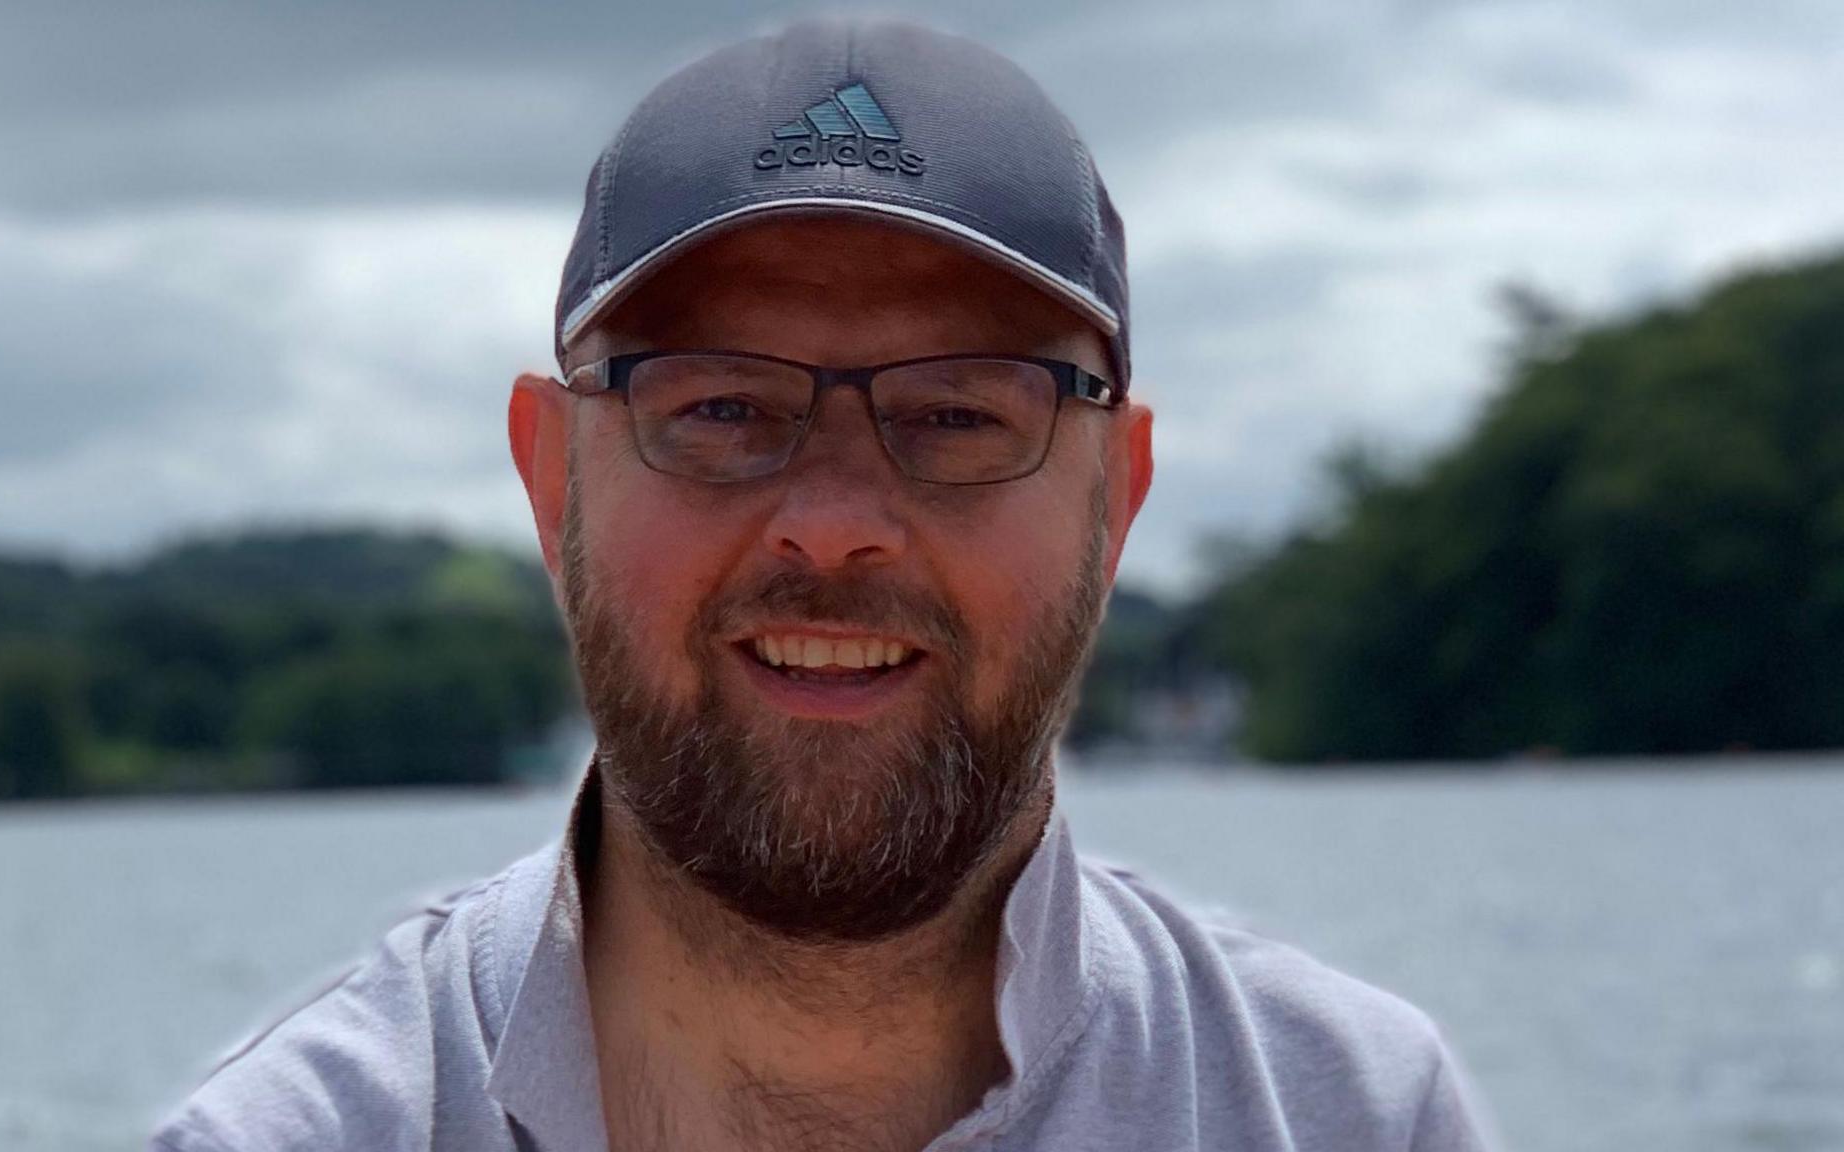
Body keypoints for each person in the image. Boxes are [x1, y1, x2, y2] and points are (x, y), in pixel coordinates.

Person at [151, 17, 1496, 1152]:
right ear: (549, 478)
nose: (836, 525)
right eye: (724, 407)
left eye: (963, 414)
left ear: (1117, 494)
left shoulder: (1355, 1116)